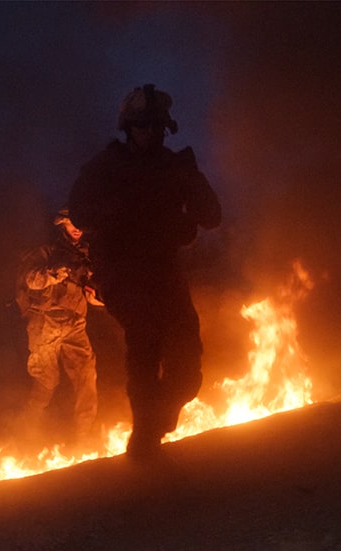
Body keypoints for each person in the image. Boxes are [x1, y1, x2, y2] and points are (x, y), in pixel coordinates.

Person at [68, 84, 221, 460]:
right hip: (122, 272)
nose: (150, 133)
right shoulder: (106, 167)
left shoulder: (176, 167)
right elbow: (79, 214)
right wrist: (125, 211)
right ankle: (144, 437)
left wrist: (190, 192)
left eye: (157, 126)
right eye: (142, 125)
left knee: (187, 366)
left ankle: (159, 419)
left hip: (165, 270)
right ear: (128, 127)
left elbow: (212, 216)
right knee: (146, 338)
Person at [16, 208, 103, 449]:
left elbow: (88, 292)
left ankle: (85, 439)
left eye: (81, 224)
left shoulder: (84, 256)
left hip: (76, 323)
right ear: (62, 224)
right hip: (46, 322)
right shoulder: (45, 251)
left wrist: (98, 297)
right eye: (72, 223)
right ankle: (23, 440)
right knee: (46, 381)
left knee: (86, 375)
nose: (78, 228)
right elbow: (29, 280)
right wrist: (51, 275)